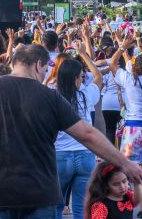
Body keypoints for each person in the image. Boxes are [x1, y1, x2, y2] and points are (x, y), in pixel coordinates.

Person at [0, 45, 142, 218]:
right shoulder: (50, 97)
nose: (45, 74)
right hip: (39, 195)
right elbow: (87, 135)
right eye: (46, 69)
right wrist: (124, 163)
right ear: (38, 65)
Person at [109, 34, 142, 218]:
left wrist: (122, 47)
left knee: (135, 169)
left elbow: (112, 64)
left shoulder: (128, 79)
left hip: (133, 127)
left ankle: (141, 208)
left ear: (133, 66)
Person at [54, 52, 103, 219]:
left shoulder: (53, 97)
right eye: (81, 76)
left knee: (56, 206)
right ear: (76, 78)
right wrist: (83, 53)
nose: (82, 79)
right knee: (82, 208)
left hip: (59, 156)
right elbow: (98, 76)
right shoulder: (86, 96)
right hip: (84, 155)